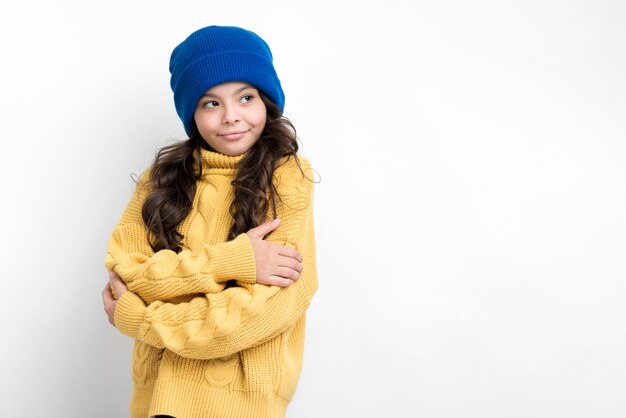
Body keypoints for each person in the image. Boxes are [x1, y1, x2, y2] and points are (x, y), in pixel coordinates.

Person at [101, 25, 317, 418]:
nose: (231, 117)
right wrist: (231, 262)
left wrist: (142, 318)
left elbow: (264, 310)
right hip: (158, 396)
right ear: (192, 113)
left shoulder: (287, 178)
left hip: (240, 403)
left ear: (267, 101)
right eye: (210, 103)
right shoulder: (160, 179)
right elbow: (129, 273)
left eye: (246, 97)